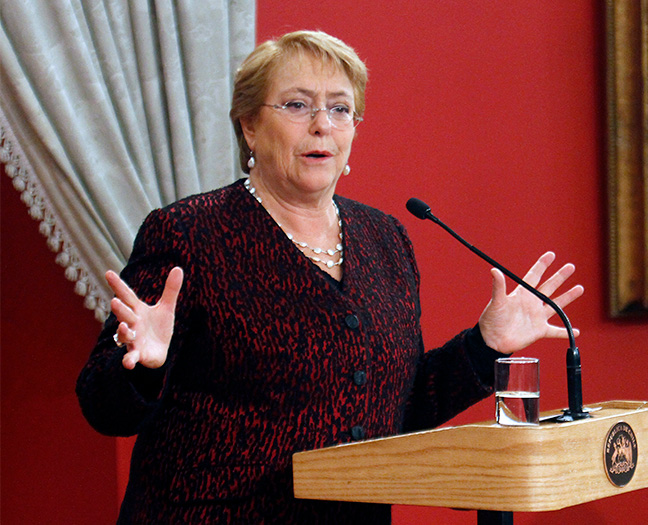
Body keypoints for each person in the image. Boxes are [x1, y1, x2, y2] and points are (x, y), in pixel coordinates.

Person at [76, 30, 584, 524]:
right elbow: (103, 407)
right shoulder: (189, 233)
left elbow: (398, 412)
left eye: (340, 109)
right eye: (297, 105)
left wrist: (484, 345)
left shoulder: (385, 239)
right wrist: (142, 367)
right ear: (250, 126)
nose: (322, 124)